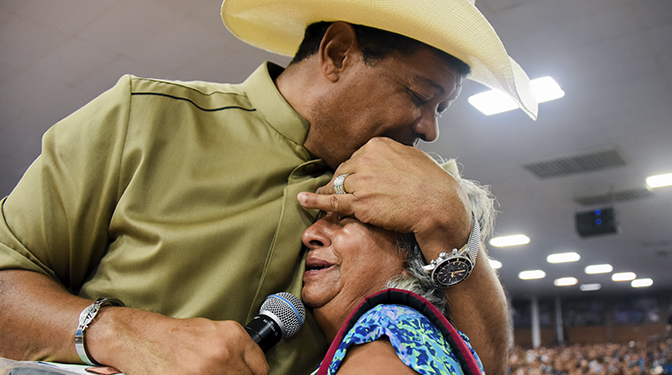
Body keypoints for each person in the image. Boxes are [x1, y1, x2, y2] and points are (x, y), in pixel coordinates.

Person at [0, 1, 538, 374]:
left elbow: (480, 365)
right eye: (421, 96)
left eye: (441, 109)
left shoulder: (408, 198)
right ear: (337, 53)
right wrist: (124, 333)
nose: (430, 128)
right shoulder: (142, 120)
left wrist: (455, 226)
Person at [301, 170, 493, 374]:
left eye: (347, 218)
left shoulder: (390, 332)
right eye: (320, 217)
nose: (310, 234)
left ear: (415, 258)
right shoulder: (420, 339)